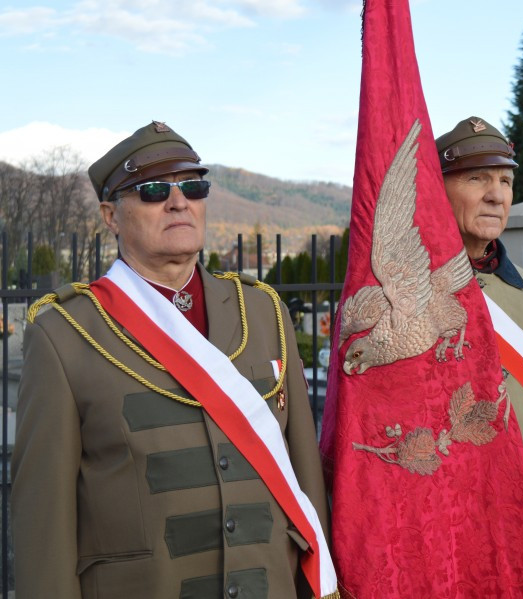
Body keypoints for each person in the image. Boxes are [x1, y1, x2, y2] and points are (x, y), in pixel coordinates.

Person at [12, 121, 337, 598]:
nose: (179, 201)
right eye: (153, 190)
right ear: (110, 215)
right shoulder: (65, 333)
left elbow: (305, 479)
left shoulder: (263, 313)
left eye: (193, 186)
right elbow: (44, 527)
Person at [435, 116, 523, 582]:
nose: (497, 194)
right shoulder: (406, 297)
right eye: (477, 179)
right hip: (451, 527)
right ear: (436, 190)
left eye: (506, 181)